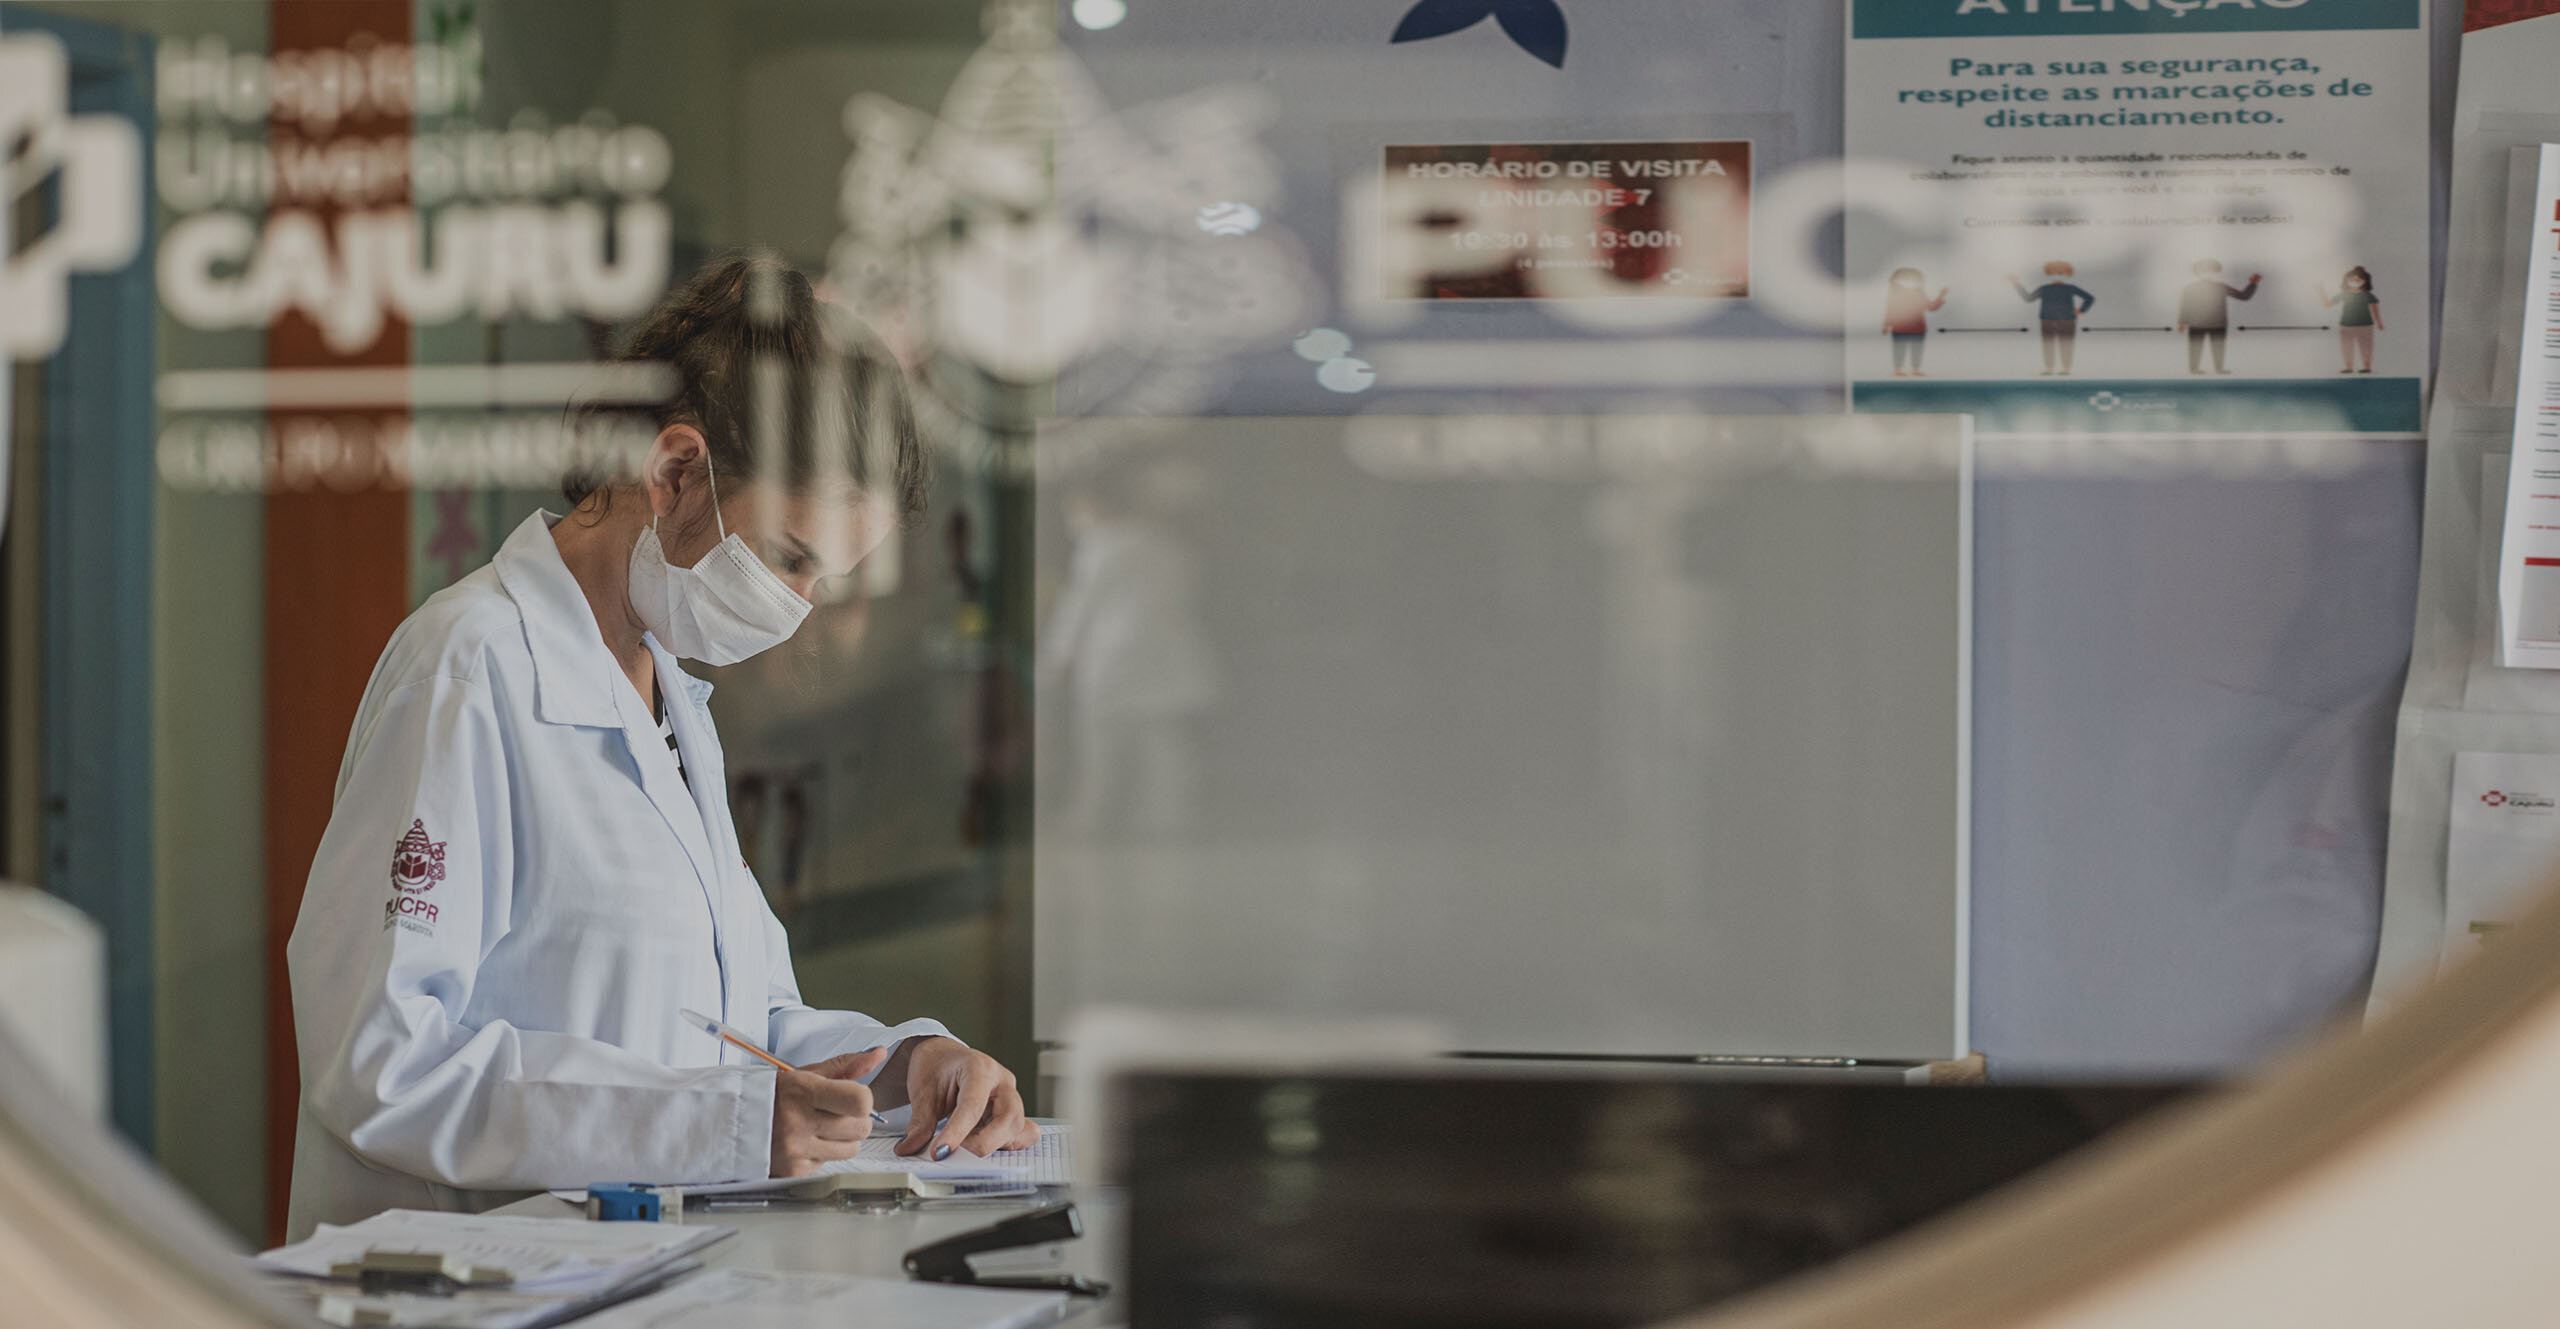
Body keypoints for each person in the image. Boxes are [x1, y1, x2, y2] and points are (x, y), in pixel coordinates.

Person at [284, 255, 1037, 1240]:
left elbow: (737, 1024)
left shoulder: (668, 695)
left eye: (826, 580)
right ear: (677, 472)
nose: (800, 608)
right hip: (472, 1277)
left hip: (630, 1272)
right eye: (791, 558)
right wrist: (713, 1125)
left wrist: (907, 1064)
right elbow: (379, 1060)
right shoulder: (469, 669)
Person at [2008, 262, 2094, 375]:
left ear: (2068, 273)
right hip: (2048, 320)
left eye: (2061, 272)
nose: (2057, 274)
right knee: (2048, 345)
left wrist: (2081, 310)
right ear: (2048, 273)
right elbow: (2029, 298)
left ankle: (2066, 369)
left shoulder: (2070, 288)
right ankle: (2049, 368)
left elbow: (2089, 298)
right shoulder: (2044, 288)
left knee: (2066, 344)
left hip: (2067, 320)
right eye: (2054, 272)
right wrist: (2016, 284)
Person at [2177, 258, 2261, 375]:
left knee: (2217, 347)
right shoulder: (2191, 288)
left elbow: (2243, 296)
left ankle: (2218, 368)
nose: (2208, 273)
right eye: (2205, 271)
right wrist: (2182, 322)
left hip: (2216, 323)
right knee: (2197, 347)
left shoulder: (2220, 287)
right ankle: (2195, 368)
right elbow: (2186, 306)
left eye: (2211, 271)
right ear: (2198, 272)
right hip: (2199, 323)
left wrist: (2253, 284)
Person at [1881, 268, 1948, 377]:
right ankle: (1899, 369)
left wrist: (1941, 295)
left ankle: (1915, 369)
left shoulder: (1919, 295)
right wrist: (1887, 325)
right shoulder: (1896, 295)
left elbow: (1931, 307)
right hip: (1901, 328)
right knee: (1900, 349)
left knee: (1916, 349)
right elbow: (1891, 311)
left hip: (1916, 328)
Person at [2316, 267, 2382, 373]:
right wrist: (2321, 291)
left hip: (2365, 325)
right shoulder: (2344, 294)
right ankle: (2348, 367)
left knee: (2366, 347)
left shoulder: (2367, 295)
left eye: (2358, 280)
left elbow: (2375, 310)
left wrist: (2379, 323)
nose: (2355, 282)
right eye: (2352, 280)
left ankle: (2367, 367)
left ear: (2364, 282)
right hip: (2346, 325)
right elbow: (2328, 304)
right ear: (2347, 280)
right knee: (2346, 347)